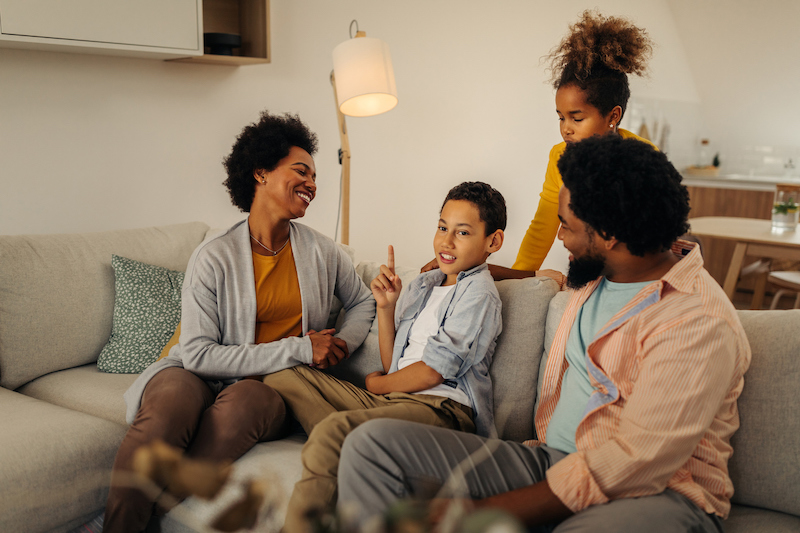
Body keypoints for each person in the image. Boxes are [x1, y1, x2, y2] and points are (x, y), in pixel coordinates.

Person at [338, 135, 751, 533]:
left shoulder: (697, 320)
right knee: (370, 446)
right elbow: (498, 271)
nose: (559, 236)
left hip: (657, 496)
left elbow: (634, 462)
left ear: (608, 235)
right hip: (550, 462)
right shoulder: (599, 276)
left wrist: (483, 512)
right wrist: (469, 266)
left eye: (566, 225)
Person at [103, 111, 375, 533]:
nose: (313, 184)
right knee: (168, 408)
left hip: (268, 384)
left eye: (316, 176)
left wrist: (340, 343)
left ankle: (147, 517)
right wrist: (304, 347)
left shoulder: (325, 252)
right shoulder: (213, 256)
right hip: (196, 370)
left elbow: (362, 302)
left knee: (249, 403)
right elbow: (196, 354)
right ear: (261, 173)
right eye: (301, 171)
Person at [263, 181, 506, 532]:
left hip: (441, 410)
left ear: (492, 242)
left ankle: (344, 447)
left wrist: (377, 386)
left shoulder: (480, 294)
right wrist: (386, 308)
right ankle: (360, 451)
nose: (446, 241)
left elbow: (431, 373)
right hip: (398, 399)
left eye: (462, 232)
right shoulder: (425, 285)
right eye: (442, 227)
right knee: (282, 372)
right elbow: (397, 364)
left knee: (333, 431)